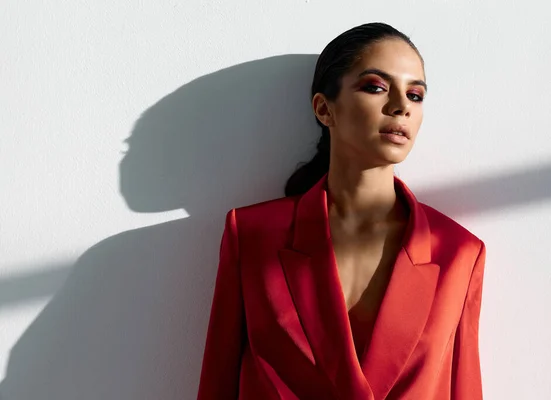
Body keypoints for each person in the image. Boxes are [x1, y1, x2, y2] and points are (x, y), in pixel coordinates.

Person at [197, 22, 486, 400]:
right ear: (324, 108)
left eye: (415, 95)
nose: (401, 107)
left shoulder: (457, 252)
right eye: (376, 87)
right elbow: (217, 385)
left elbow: (463, 389)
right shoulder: (252, 234)